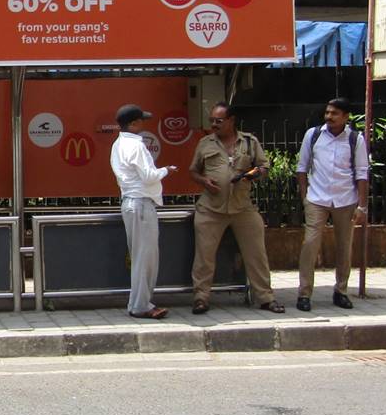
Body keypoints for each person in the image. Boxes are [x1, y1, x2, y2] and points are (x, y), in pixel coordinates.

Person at [188, 102, 284, 314]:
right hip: (211, 209)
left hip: (242, 207)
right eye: (212, 120)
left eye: (219, 121)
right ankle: (201, 297)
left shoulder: (249, 142)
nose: (214, 124)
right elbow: (193, 171)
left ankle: (265, 297)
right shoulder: (205, 143)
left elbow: (264, 166)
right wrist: (204, 181)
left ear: (231, 120)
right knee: (204, 256)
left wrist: (254, 174)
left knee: (256, 254)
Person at [295, 96, 370, 311]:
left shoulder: (355, 139)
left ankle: (341, 291)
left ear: (346, 117)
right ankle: (304, 293)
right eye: (327, 112)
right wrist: (305, 197)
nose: (329, 117)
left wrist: (362, 206)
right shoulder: (314, 135)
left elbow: (362, 172)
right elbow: (302, 167)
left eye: (334, 113)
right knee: (310, 244)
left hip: (346, 199)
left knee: (344, 247)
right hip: (316, 198)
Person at [110, 103, 177, 320]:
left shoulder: (118, 144)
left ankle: (138, 303)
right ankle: (141, 305)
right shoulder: (136, 146)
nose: (143, 123)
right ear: (134, 123)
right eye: (141, 120)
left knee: (140, 256)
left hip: (131, 202)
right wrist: (166, 170)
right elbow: (148, 176)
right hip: (140, 204)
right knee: (145, 258)